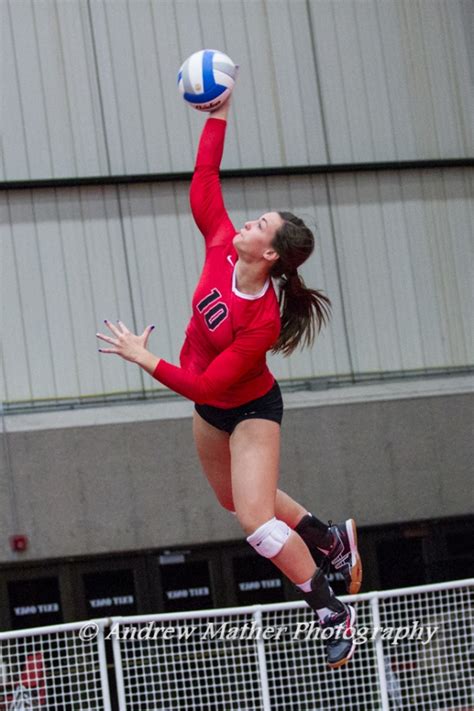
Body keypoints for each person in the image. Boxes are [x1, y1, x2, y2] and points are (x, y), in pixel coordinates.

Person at [96, 95, 362, 668]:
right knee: (232, 499)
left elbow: (213, 388)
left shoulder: (262, 320)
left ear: (268, 253)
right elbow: (204, 178)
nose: (246, 221)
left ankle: (330, 609)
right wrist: (218, 115)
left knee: (255, 521)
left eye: (259, 224)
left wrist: (145, 359)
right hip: (212, 406)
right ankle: (328, 537)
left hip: (249, 410)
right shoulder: (220, 244)